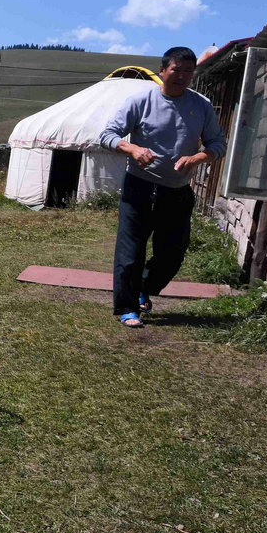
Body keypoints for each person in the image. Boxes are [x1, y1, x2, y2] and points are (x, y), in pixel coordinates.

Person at [99, 47, 227, 328]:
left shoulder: (201, 105)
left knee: (173, 253)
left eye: (188, 71)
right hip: (140, 186)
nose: (182, 76)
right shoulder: (140, 101)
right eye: (176, 70)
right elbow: (107, 135)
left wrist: (197, 157)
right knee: (131, 251)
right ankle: (127, 308)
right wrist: (133, 149)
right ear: (163, 71)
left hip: (177, 189)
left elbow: (218, 144)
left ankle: (144, 286)